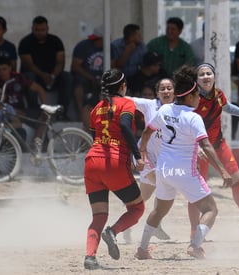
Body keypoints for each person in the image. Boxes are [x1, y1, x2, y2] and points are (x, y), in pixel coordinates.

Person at [135, 67, 232, 260]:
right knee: (210, 209)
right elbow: (206, 144)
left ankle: (142, 249)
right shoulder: (193, 117)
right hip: (184, 171)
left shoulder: (164, 109)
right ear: (190, 96)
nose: (199, 98)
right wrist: (222, 170)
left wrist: (143, 152)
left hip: (163, 169)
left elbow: (146, 132)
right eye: (197, 94)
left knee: (159, 210)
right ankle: (195, 246)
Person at [192, 63, 239, 236]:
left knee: (237, 179)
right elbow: (184, 124)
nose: (205, 77)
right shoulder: (192, 98)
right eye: (201, 74)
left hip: (218, 144)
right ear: (196, 80)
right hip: (201, 149)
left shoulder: (218, 94)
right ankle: (193, 230)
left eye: (208, 73)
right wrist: (195, 148)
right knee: (197, 190)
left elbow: (229, 108)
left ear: (214, 76)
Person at [83, 69, 145, 269]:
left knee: (99, 215)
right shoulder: (126, 103)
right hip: (115, 162)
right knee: (137, 208)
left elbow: (95, 137)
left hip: (92, 162)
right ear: (122, 86)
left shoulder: (96, 109)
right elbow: (126, 126)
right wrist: (137, 155)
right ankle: (113, 232)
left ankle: (90, 257)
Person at [130, 78, 176, 240]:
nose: (166, 91)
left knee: (144, 196)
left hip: (164, 159)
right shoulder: (149, 105)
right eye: (162, 89)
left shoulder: (178, 110)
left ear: (174, 92)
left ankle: (128, 221)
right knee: (164, 185)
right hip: (144, 154)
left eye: (169, 88)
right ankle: (154, 225)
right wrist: (111, 94)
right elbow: (128, 100)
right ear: (157, 93)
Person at [18, 16, 71, 118]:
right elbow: (29, 65)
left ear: (47, 29)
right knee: (29, 76)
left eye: (43, 30)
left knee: (67, 77)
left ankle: (62, 112)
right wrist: (43, 75)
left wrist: (53, 76)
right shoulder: (25, 42)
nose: (40, 32)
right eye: (37, 30)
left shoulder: (55, 41)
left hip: (52, 76)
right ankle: (34, 110)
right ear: (32, 29)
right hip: (35, 76)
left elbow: (61, 62)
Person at [0, 57, 47, 140]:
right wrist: (11, 110)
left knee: (46, 116)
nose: (1, 72)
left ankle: (37, 142)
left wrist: (45, 107)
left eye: (4, 69)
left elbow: (39, 89)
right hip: (5, 113)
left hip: (22, 110)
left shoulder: (18, 77)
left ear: (10, 68)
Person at [71, 25, 104, 127]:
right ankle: (82, 112)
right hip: (85, 76)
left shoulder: (109, 47)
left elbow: (113, 64)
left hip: (101, 78)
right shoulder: (83, 46)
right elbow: (75, 66)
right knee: (80, 84)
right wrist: (91, 77)